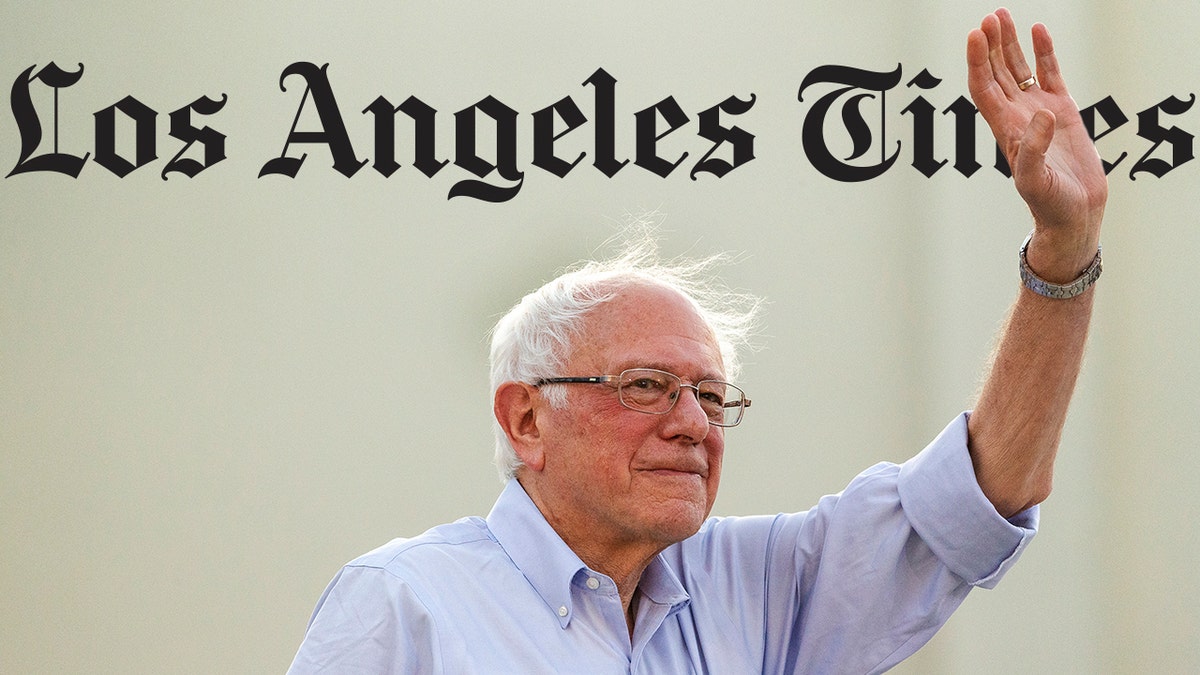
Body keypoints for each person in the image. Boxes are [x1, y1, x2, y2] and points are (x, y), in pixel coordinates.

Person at [287, 8, 1107, 673]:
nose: (693, 423)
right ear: (525, 419)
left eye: (712, 396)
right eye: (645, 385)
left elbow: (973, 501)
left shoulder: (754, 590)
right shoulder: (406, 603)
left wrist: (1064, 250)